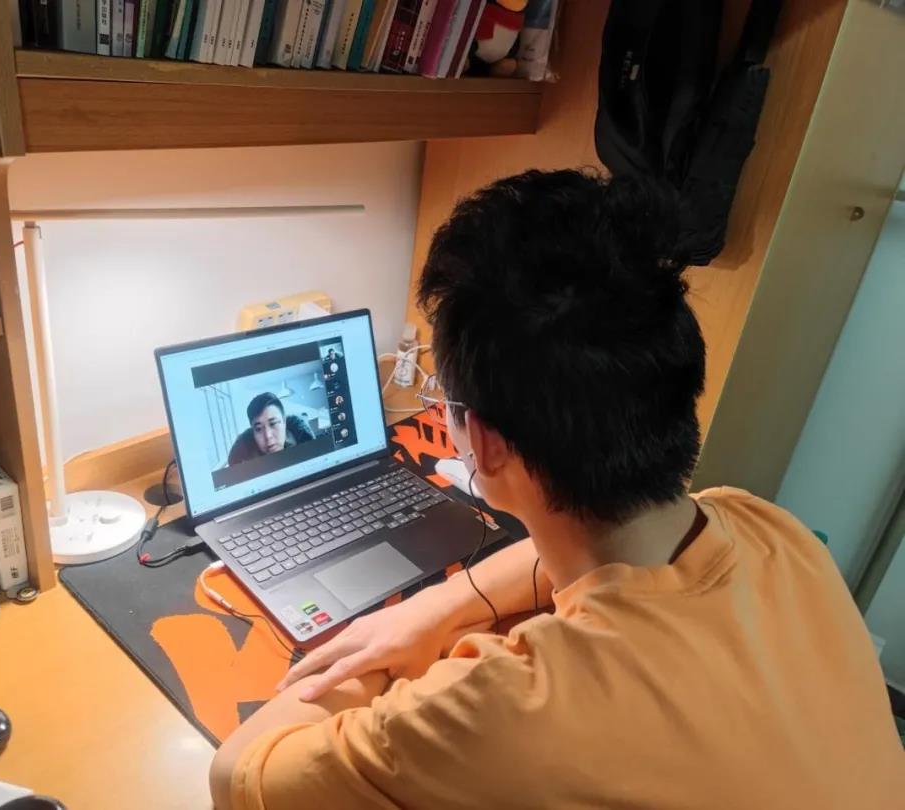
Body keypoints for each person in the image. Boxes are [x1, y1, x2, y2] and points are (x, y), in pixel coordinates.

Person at [209, 171, 904, 809]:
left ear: (482, 445)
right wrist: (434, 609)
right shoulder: (763, 525)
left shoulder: (504, 710)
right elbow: (598, 564)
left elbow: (238, 775)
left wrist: (365, 671)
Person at [226, 392, 314, 466]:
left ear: (284, 422)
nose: (268, 436)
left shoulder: (302, 442)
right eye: (259, 429)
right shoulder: (247, 462)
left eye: (273, 424)